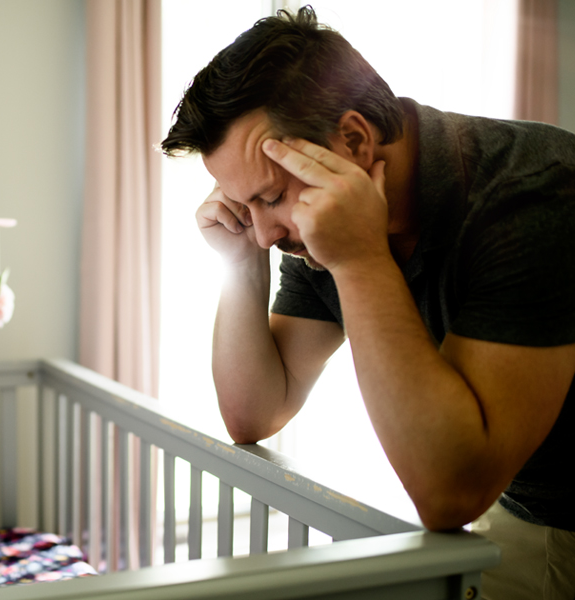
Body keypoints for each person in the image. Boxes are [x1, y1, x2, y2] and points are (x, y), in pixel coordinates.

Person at [160, 7, 575, 599]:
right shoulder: (312, 222)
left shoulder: (531, 195)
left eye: (272, 197)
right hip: (524, 504)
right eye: (243, 205)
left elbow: (448, 495)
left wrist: (359, 261)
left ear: (353, 139)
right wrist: (241, 261)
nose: (265, 232)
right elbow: (254, 412)